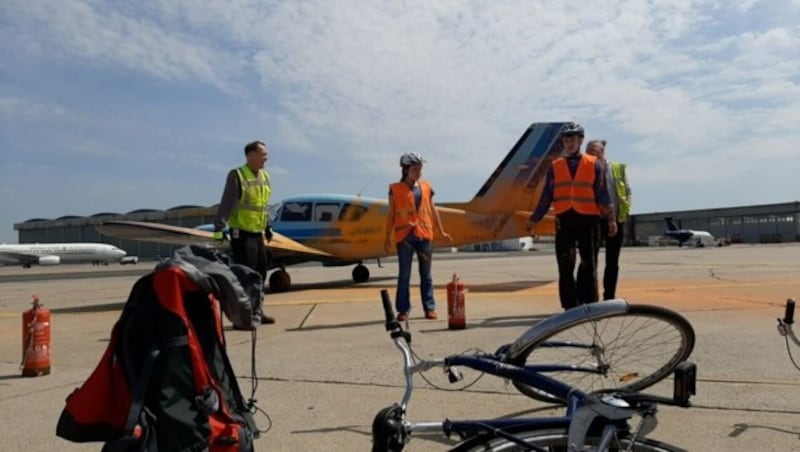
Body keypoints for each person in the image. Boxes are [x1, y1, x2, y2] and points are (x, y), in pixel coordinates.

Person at [526, 123, 617, 310]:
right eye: (566, 140)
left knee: (588, 263)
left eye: (573, 139)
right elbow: (546, 196)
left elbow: (603, 194)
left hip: (588, 220)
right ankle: (569, 306)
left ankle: (589, 303)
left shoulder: (594, 164)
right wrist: (534, 219)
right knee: (565, 266)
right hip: (565, 221)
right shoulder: (555, 167)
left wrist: (611, 219)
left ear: (580, 141)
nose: (569, 143)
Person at [213, 140, 276, 325]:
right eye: (263, 154)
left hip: (257, 233)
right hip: (241, 233)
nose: (267, 158)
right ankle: (242, 316)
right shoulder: (237, 175)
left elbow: (263, 206)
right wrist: (219, 228)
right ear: (251, 155)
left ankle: (257, 311)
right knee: (245, 275)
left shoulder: (265, 176)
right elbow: (226, 202)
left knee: (260, 274)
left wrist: (267, 226)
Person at [384, 152, 452, 321]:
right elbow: (391, 213)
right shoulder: (395, 189)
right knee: (404, 275)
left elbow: (433, 210)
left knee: (426, 274)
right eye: (415, 169)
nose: (419, 172)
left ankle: (429, 308)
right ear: (405, 169)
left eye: (420, 169)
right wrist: (387, 235)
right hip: (404, 236)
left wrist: (441, 231)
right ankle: (403, 310)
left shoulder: (427, 187)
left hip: (424, 235)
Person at [586, 139, 631, 300]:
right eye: (588, 151)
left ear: (602, 151)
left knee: (612, 261)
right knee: (590, 261)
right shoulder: (586, 170)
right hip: (594, 220)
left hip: (616, 219)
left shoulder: (617, 168)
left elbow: (627, 190)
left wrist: (625, 211)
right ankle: (590, 297)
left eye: (593, 151)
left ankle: (609, 296)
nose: (590, 154)